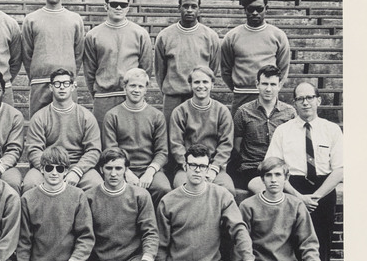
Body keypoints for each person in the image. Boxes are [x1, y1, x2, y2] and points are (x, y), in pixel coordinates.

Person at [262, 82, 343, 261]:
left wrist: (315, 197)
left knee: (321, 243)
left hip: (323, 191)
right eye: (300, 99)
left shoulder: (332, 130)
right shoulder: (283, 131)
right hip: (292, 189)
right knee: (291, 243)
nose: (305, 102)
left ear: (318, 100)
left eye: (309, 98)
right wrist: (299, 197)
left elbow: (340, 169)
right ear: (294, 103)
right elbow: (272, 167)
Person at [22, 68, 102, 194]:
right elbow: (34, 150)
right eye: (57, 84)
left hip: (76, 165)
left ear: (73, 86)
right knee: (30, 184)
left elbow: (93, 150)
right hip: (47, 165)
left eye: (66, 84)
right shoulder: (40, 117)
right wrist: (49, 170)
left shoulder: (86, 116)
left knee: (96, 184)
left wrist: (77, 171)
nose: (62, 87)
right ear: (51, 87)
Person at [83, 0, 153, 128]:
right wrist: (98, 92)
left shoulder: (140, 33)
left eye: (123, 4)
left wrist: (135, 90)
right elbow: (89, 71)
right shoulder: (93, 35)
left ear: (128, 7)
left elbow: (146, 69)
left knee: (130, 140)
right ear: (106, 6)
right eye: (114, 4)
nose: (119, 8)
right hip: (103, 98)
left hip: (130, 96)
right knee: (104, 143)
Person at [154, 0, 221, 133]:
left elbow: (213, 68)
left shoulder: (210, 36)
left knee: (199, 136)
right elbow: (160, 70)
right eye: (185, 6)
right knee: (171, 137)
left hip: (199, 95)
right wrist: (171, 89)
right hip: (173, 97)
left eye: (193, 6)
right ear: (179, 8)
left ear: (199, 9)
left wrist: (202, 87)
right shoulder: (165, 36)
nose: (189, 10)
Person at [21, 0, 84, 116]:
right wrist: (37, 75)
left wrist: (68, 78)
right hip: (40, 83)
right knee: (38, 125)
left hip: (66, 84)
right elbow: (27, 53)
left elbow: (79, 53)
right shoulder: (31, 19)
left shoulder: (75, 19)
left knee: (68, 126)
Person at [102, 68, 171, 205]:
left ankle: (154, 225)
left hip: (149, 168)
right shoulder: (112, 115)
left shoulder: (156, 116)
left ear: (146, 90)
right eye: (132, 85)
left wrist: (150, 172)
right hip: (121, 168)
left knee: (163, 189)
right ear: (125, 88)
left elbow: (162, 151)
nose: (136, 90)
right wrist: (126, 172)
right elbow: (111, 151)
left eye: (141, 86)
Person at [221, 0, 290, 115]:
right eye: (250, 9)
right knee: (239, 133)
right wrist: (239, 88)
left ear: (266, 9)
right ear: (244, 10)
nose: (254, 13)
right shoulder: (232, 36)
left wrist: (271, 89)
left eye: (259, 9)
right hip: (241, 96)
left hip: (268, 95)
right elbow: (225, 70)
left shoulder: (278, 35)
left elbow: (283, 69)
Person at [170, 66, 235, 195]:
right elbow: (176, 144)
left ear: (212, 85)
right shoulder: (180, 111)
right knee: (182, 190)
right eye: (197, 82)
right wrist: (189, 166)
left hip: (213, 166)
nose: (201, 86)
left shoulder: (222, 111)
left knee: (227, 190)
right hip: (188, 166)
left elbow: (226, 144)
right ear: (190, 85)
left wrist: (213, 169)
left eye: (205, 82)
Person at [232, 64, 296, 192]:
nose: (268, 89)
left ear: (279, 85)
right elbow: (237, 146)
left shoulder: (289, 113)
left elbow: (293, 145)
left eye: (273, 84)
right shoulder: (243, 112)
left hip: (280, 168)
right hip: (252, 168)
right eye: (264, 84)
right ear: (257, 85)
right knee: (269, 192)